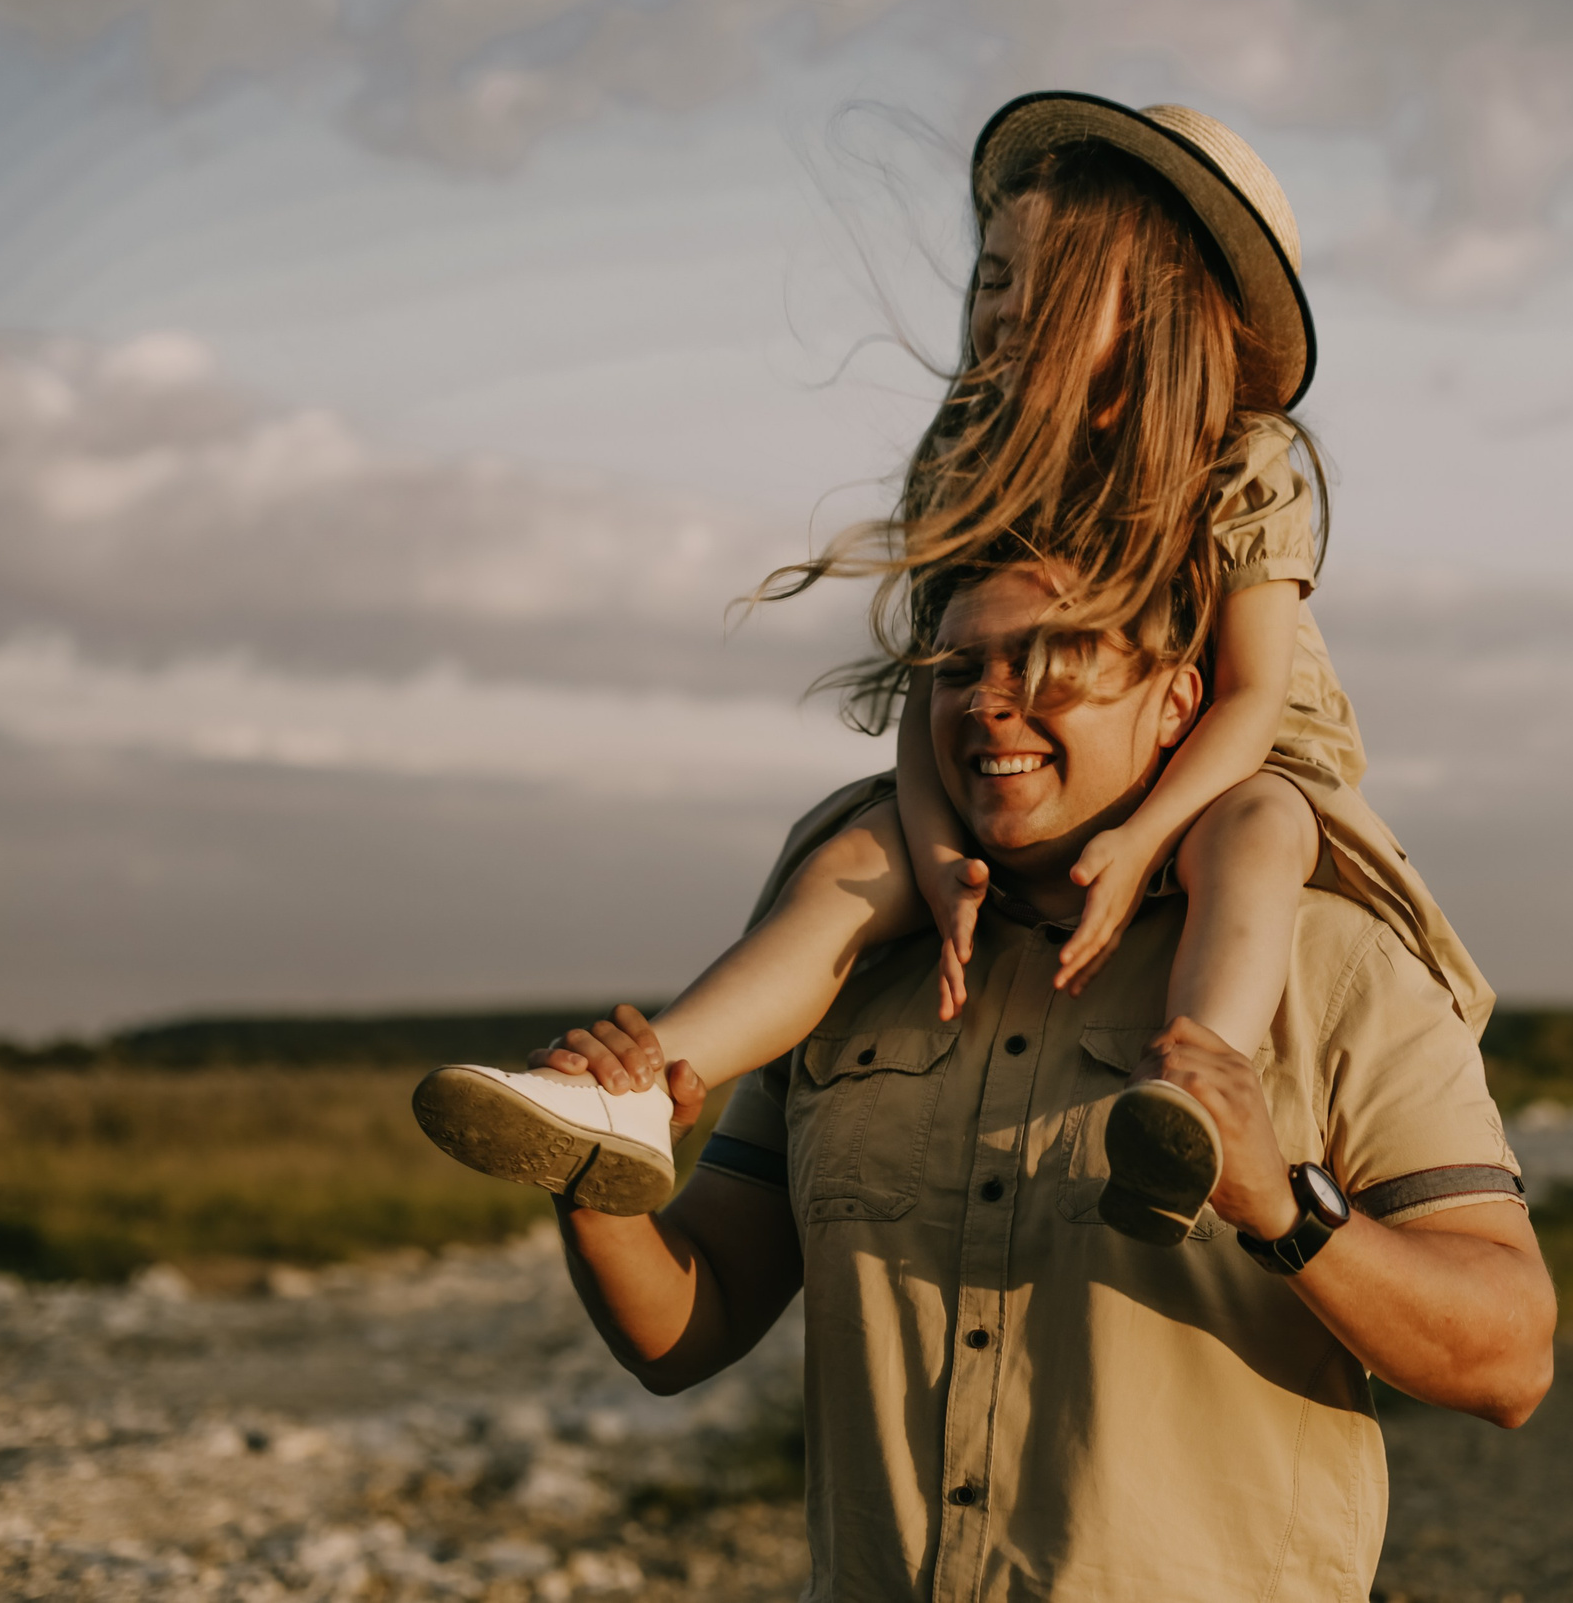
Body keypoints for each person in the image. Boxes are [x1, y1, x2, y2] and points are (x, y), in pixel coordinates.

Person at [412, 93, 1492, 1243]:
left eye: (1052, 279)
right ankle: (637, 1090)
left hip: (1230, 759)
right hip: (1025, 749)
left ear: (1162, 303)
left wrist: (1139, 840)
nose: (1004, 305)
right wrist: (932, 850)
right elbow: (934, 689)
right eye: (991, 276)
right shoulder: (973, 458)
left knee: (1260, 829)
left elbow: (1248, 696)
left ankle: (1193, 1088)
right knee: (854, 854)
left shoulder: (1242, 458)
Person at [549, 556, 1554, 1601]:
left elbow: (1509, 1363)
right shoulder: (840, 974)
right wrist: (598, 1182)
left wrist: (1280, 1209)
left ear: (1177, 705)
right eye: (955, 669)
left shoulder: (1333, 965)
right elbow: (685, 1334)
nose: (990, 703)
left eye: (1048, 664)